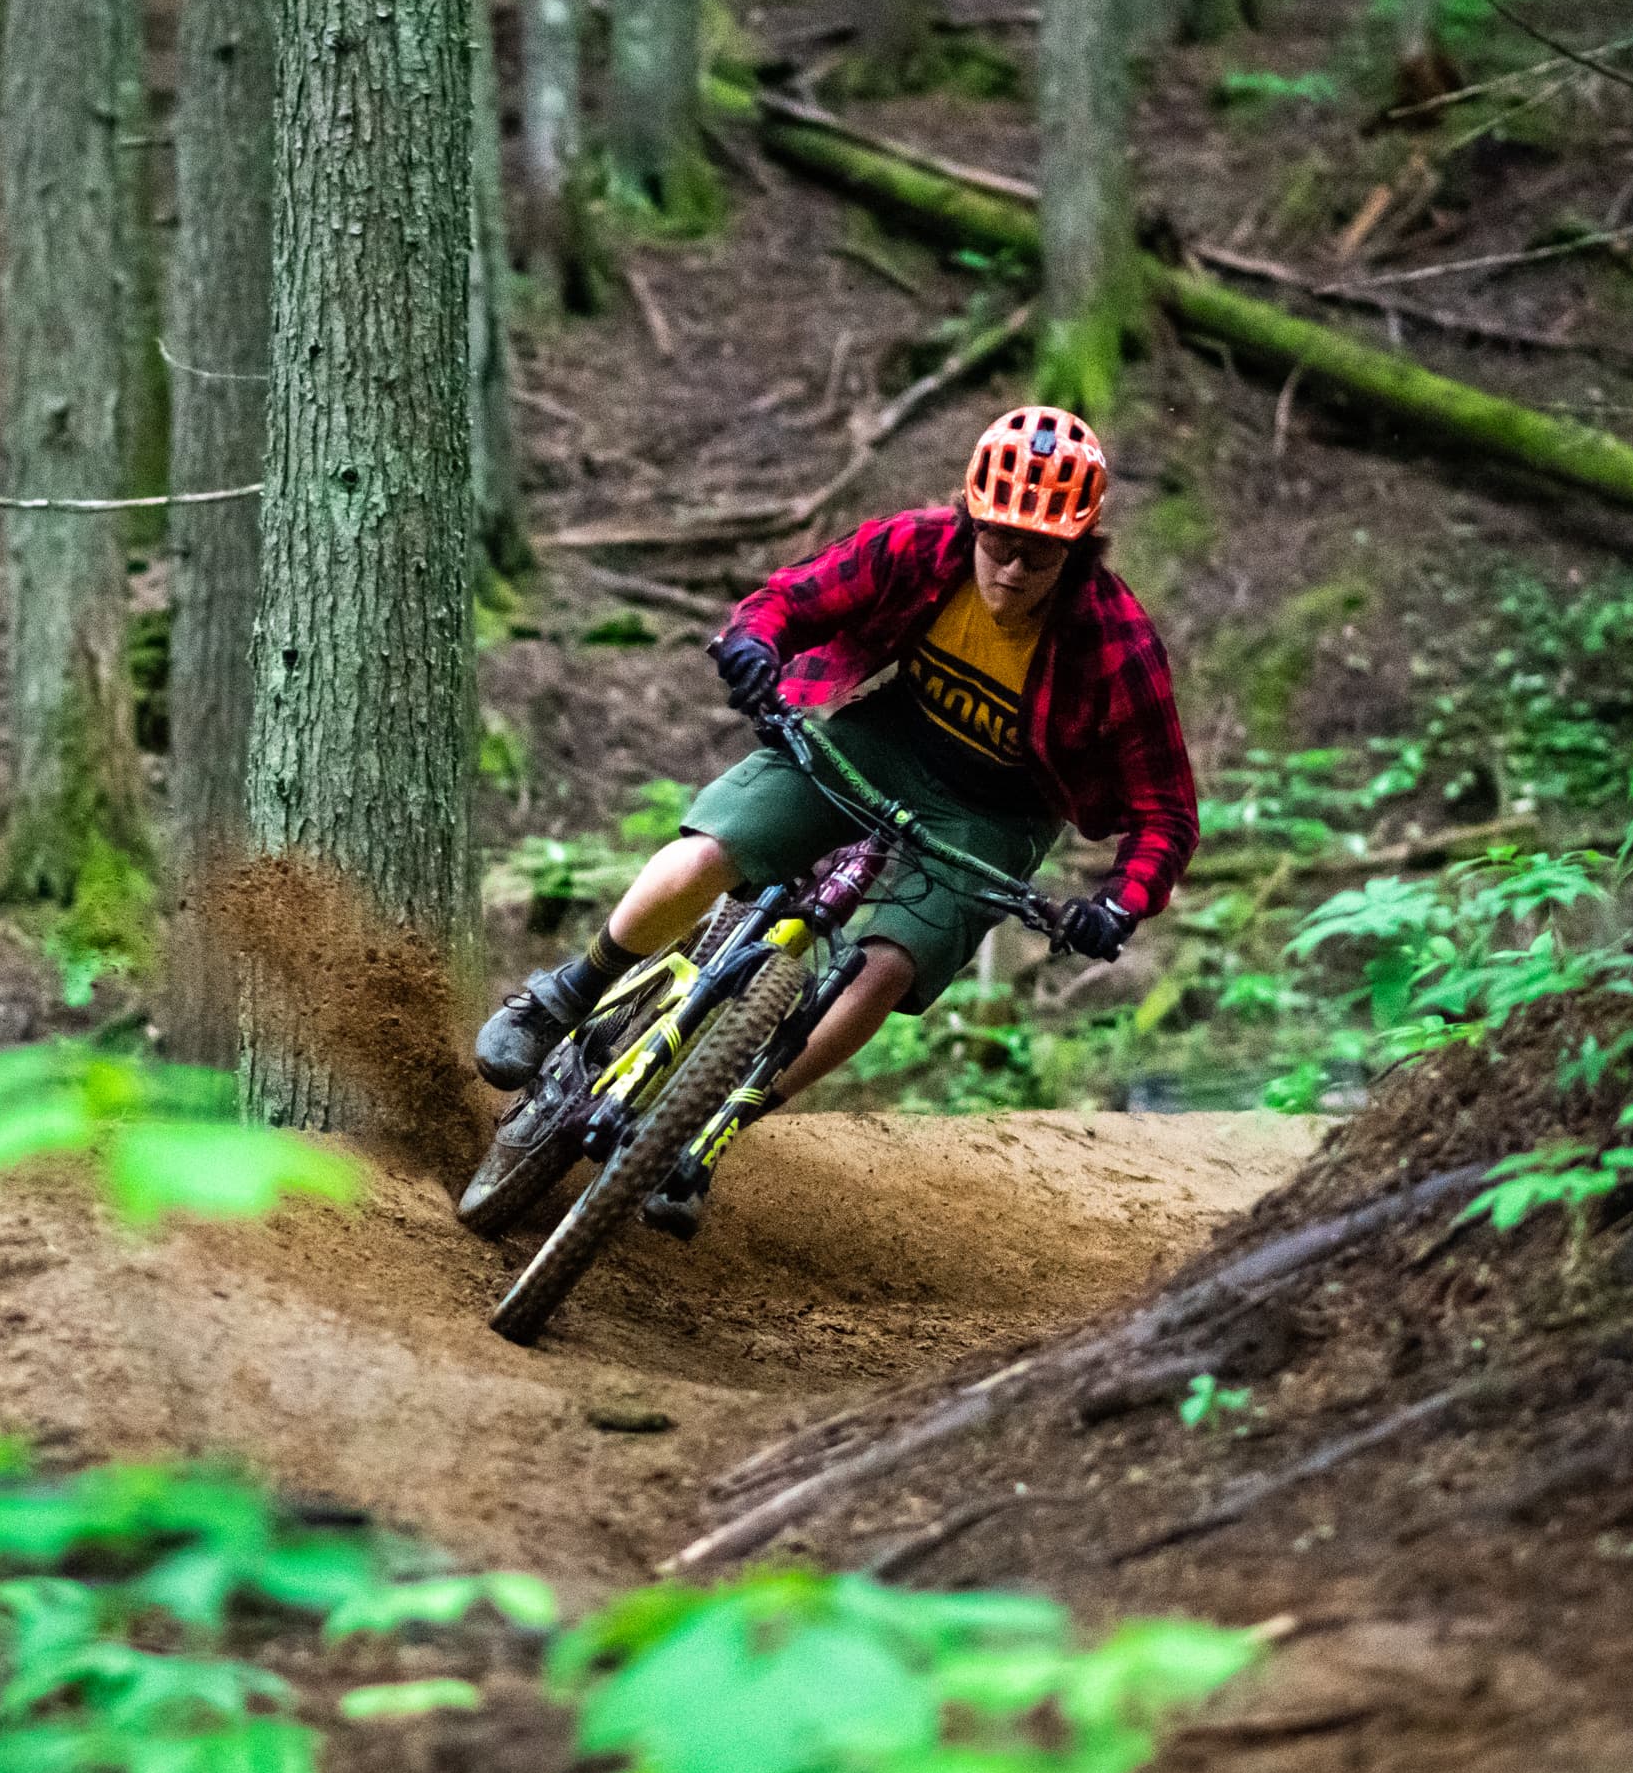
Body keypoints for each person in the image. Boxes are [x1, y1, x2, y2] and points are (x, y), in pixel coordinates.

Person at [472, 404, 1200, 1235]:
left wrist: (1118, 904)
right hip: (884, 739)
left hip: (997, 812)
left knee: (889, 965)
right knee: (715, 849)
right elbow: (791, 599)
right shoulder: (919, 547)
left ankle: (721, 1123)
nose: (1011, 567)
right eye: (999, 540)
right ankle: (567, 992)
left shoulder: (1114, 643)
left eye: (1040, 553)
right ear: (972, 517)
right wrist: (756, 646)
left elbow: (1166, 813)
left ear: (1080, 547)